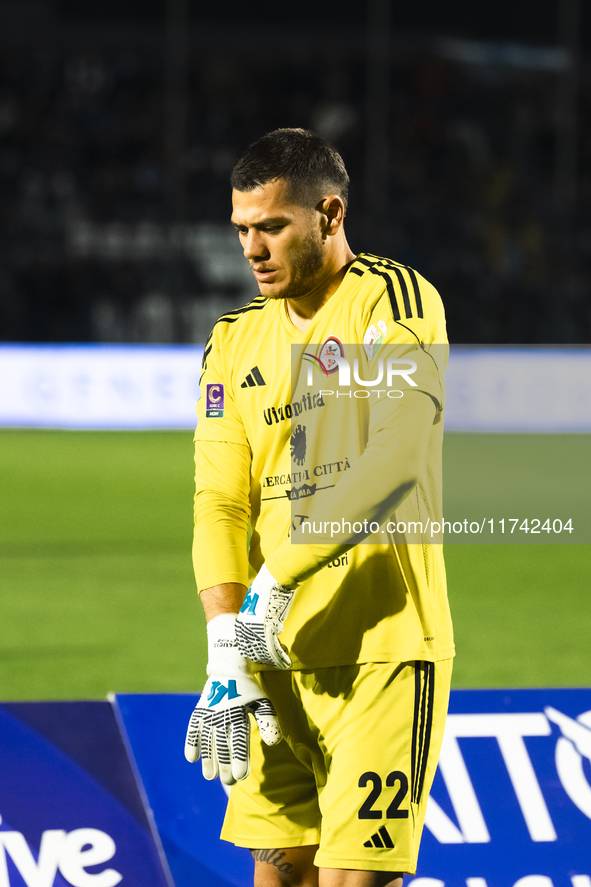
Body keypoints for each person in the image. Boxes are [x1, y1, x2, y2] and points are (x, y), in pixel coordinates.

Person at [185, 128, 454, 887]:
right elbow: (218, 500)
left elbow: (396, 458)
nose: (252, 249)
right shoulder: (231, 340)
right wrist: (222, 643)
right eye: (241, 229)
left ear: (328, 213)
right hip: (264, 662)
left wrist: (274, 583)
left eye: (271, 226)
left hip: (380, 651)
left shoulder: (391, 300)